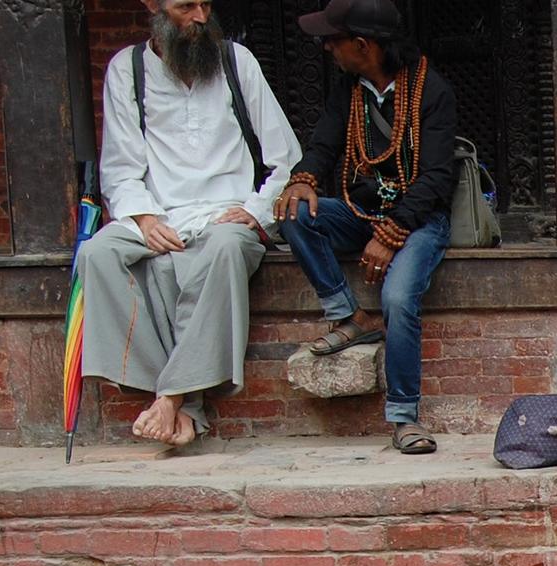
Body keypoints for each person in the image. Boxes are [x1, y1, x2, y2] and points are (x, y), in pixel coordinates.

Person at [81, 0, 300, 447]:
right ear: (151, 5)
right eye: (186, 7)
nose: (201, 17)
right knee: (96, 255)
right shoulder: (128, 69)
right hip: (159, 213)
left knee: (223, 249)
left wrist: (256, 211)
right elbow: (120, 168)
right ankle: (179, 396)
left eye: (206, 4)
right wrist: (143, 216)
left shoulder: (237, 62)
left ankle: (172, 397)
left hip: (228, 214)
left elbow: (286, 162)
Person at [274, 0, 457, 455]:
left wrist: (392, 232)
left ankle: (403, 416)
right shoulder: (349, 90)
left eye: (333, 40)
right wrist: (302, 181)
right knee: (294, 213)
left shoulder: (430, 89)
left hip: (419, 221)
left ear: (362, 44)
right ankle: (348, 316)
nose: (327, 48)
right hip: (360, 212)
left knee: (397, 297)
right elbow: (323, 146)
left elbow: (437, 178)